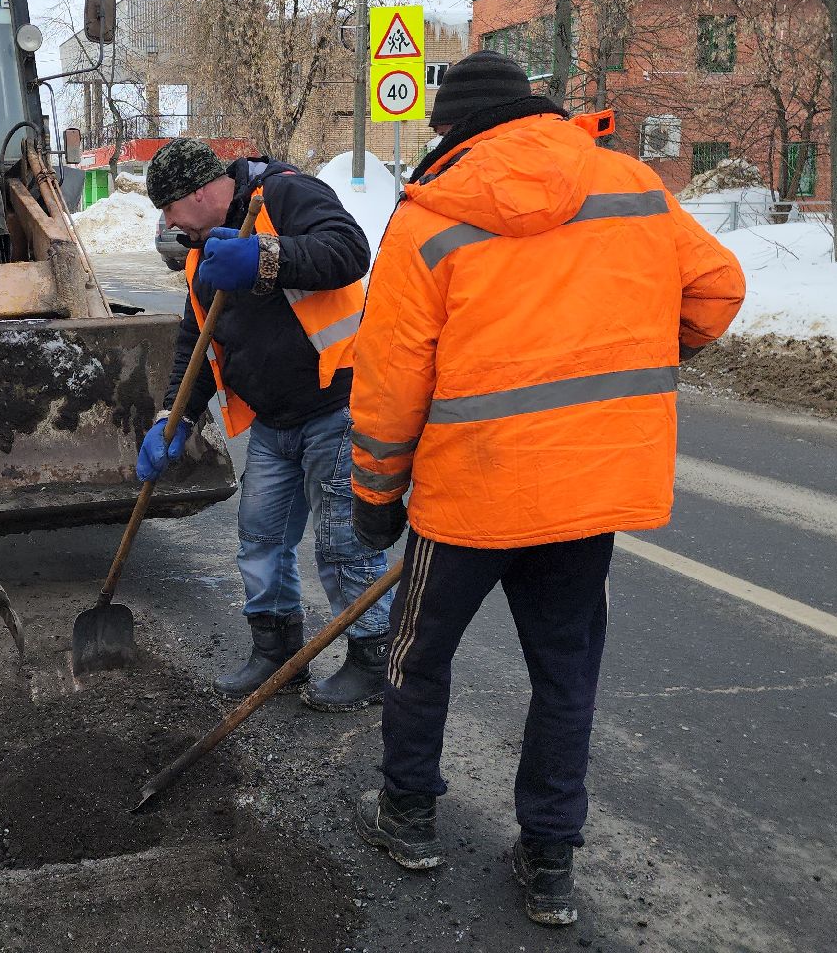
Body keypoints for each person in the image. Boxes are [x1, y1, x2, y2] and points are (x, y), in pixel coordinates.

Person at [346, 51, 746, 926]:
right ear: (535, 111)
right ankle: (550, 861)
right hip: (585, 490)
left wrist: (375, 495)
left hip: (470, 494)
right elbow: (716, 289)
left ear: (447, 130)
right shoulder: (631, 185)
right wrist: (638, 350)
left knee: (418, 657)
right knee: (565, 676)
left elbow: (389, 376)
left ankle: (408, 817)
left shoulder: (427, 218)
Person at [141, 138, 393, 711]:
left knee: (343, 545)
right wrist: (172, 418)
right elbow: (197, 340)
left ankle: (372, 658)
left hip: (336, 405)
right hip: (272, 424)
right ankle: (274, 649)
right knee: (260, 538)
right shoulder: (201, 253)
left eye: (170, 208)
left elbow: (349, 251)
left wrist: (264, 257)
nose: (168, 222)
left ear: (202, 193)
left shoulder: (283, 193)